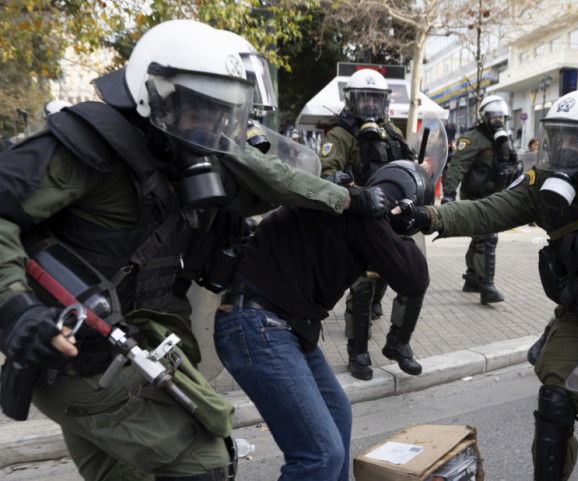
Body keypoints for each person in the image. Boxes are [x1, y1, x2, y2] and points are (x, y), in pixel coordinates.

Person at [0, 20, 386, 481]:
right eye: (198, 110)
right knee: (207, 464)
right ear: (157, 96)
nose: (211, 125)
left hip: (118, 353)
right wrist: (16, 307)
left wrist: (343, 194)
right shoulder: (91, 146)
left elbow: (269, 185)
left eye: (220, 113)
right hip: (80, 358)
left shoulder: (177, 160)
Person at [395, 89, 578, 481]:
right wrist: (428, 216)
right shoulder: (542, 184)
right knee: (554, 404)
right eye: (560, 136)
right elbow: (488, 211)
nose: (567, 147)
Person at [214, 160, 430, 480]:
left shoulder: (343, 197)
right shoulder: (365, 216)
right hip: (258, 324)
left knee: (336, 413)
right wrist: (401, 230)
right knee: (319, 455)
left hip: (280, 323)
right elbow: (414, 279)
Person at [319, 68, 424, 380]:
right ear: (351, 100)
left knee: (413, 276)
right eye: (362, 97)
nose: (368, 104)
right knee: (362, 289)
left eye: (374, 98)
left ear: (384, 101)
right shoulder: (340, 134)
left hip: (396, 216)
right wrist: (339, 181)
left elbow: (408, 169)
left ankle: (398, 343)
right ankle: (358, 352)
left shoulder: (392, 132)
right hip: (361, 219)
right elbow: (326, 173)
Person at [440, 95, 521, 304]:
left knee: (479, 238)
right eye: (493, 116)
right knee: (488, 238)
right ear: (484, 116)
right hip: (477, 195)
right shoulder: (473, 138)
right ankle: (487, 287)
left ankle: (473, 279)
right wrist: (449, 194)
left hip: (497, 194)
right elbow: (458, 165)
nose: (498, 120)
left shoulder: (503, 138)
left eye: (501, 116)